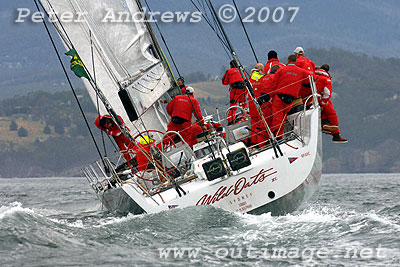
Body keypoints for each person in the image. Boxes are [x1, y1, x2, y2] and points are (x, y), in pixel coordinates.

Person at [270, 54, 308, 137]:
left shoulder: (281, 70)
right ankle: (285, 134)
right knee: (284, 117)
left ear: (288, 60)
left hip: (279, 97)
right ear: (295, 61)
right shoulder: (301, 71)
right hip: (290, 100)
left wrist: (271, 96)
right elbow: (311, 79)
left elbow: (274, 83)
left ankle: (278, 136)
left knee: (277, 118)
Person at [315, 64, 348, 143]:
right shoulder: (326, 79)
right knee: (332, 113)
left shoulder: (313, 75)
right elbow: (327, 93)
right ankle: (335, 134)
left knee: (324, 113)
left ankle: (326, 124)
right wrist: (323, 103)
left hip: (311, 98)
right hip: (320, 98)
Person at [222, 60, 248, 124]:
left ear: (231, 65)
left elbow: (224, 82)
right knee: (243, 104)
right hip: (243, 89)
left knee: (233, 105)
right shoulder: (242, 70)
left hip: (235, 89)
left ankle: (231, 120)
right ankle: (245, 117)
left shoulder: (229, 71)